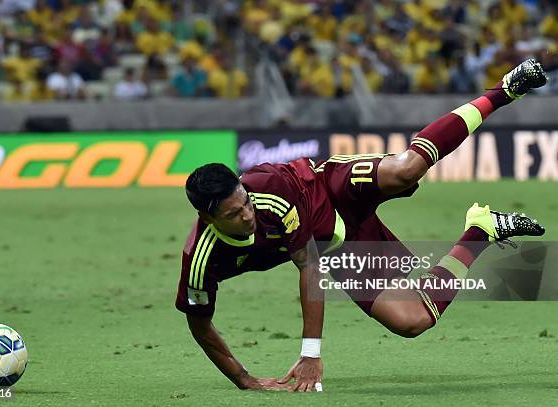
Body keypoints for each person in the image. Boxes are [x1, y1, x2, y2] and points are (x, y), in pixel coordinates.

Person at [175, 59, 547, 391]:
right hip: (338, 246)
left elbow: (308, 266)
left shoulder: (269, 194)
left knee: (406, 168)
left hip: (330, 188)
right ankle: (481, 230)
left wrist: (311, 352)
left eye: (245, 202)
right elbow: (200, 323)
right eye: (234, 214)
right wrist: (245, 380)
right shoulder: (201, 259)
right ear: (208, 219)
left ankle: (504, 91)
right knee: (413, 320)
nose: (247, 215)